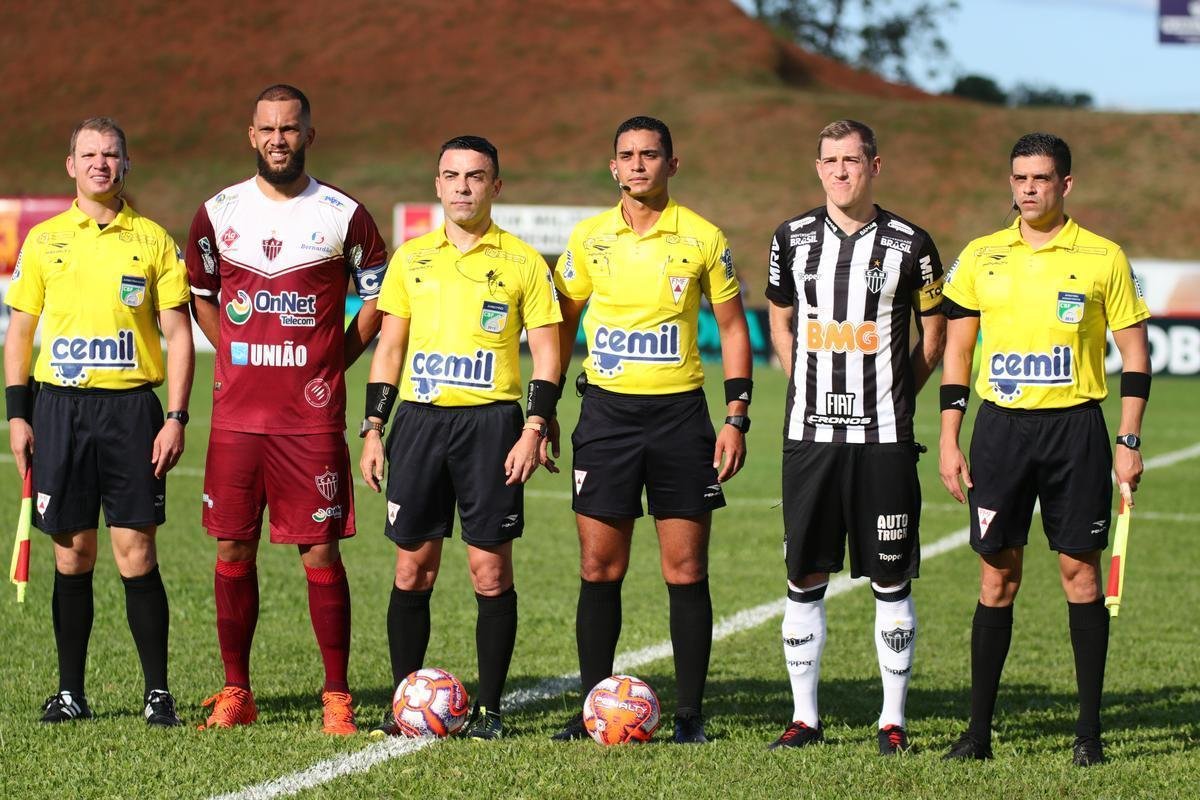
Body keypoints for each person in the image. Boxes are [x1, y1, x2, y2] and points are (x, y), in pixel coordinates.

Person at [939, 132, 1150, 766]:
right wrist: (950, 437)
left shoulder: (1103, 256)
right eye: (1019, 178)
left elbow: (1135, 354)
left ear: (1065, 184)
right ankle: (977, 735)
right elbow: (956, 351)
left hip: (1076, 431)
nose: (1028, 189)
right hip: (1000, 431)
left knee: (1080, 576)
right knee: (996, 576)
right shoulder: (980, 255)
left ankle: (1089, 734)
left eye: (1040, 178)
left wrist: (1129, 440)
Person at [184, 84, 388, 734]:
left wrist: (334, 359)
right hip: (238, 420)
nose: (279, 138)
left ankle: (337, 698)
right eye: (268, 128)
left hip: (311, 421)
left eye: (291, 128)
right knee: (233, 547)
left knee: (320, 553)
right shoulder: (217, 214)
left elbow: (378, 298)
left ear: (309, 135)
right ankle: (236, 692)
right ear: (252, 135)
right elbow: (204, 297)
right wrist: (237, 353)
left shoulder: (344, 215)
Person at [550, 116, 753, 744]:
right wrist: (543, 409)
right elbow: (557, 322)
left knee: (685, 569)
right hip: (606, 417)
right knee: (598, 567)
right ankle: (593, 712)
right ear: (613, 167)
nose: (638, 165)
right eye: (627, 156)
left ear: (672, 163)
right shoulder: (587, 239)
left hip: (680, 420)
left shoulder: (702, 237)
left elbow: (736, 329)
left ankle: (690, 714)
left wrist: (737, 417)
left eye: (650, 155)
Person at [359, 135, 561, 740]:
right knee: (411, 570)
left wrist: (533, 427)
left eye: (476, 176)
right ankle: (405, 707)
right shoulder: (411, 258)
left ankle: (491, 711)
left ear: (496, 186)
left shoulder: (524, 262)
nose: (463, 186)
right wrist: (373, 428)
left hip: (492, 427)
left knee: (489, 572)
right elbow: (388, 349)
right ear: (437, 184)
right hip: (418, 424)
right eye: (452, 176)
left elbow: (548, 355)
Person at [4, 116, 195, 727]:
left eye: (111, 154)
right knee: (72, 553)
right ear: (71, 165)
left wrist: (176, 416)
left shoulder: (155, 240)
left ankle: (157, 693)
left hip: (132, 410)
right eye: (89, 155)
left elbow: (178, 335)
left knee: (136, 551)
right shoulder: (44, 240)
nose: (100, 164)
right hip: (59, 409)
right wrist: (18, 415)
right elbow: (21, 334)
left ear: (125, 165)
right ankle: (70, 693)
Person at [764, 119, 946, 754]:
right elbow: (779, 318)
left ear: (875, 164)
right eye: (830, 161)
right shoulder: (789, 239)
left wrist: (896, 395)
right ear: (818, 168)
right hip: (809, 437)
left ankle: (891, 720)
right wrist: (799, 380)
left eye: (852, 160)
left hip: (884, 439)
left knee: (891, 581)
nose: (840, 171)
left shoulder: (913, 245)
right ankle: (804, 719)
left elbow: (934, 337)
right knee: (804, 576)